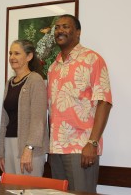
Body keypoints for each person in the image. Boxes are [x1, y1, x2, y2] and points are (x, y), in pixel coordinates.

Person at [47, 14, 112, 193]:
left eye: (65, 26)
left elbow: (104, 102)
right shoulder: (53, 67)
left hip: (81, 148)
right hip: (55, 148)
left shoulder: (93, 59)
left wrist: (92, 142)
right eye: (57, 27)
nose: (60, 30)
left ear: (78, 32)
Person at [0, 39, 49, 177]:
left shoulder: (36, 80)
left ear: (29, 56)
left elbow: (39, 119)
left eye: (17, 53)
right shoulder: (9, 82)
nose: (12, 57)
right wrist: (1, 152)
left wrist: (29, 148)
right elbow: (4, 120)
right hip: (9, 145)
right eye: (10, 53)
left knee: (29, 191)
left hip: (29, 147)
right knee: (11, 190)